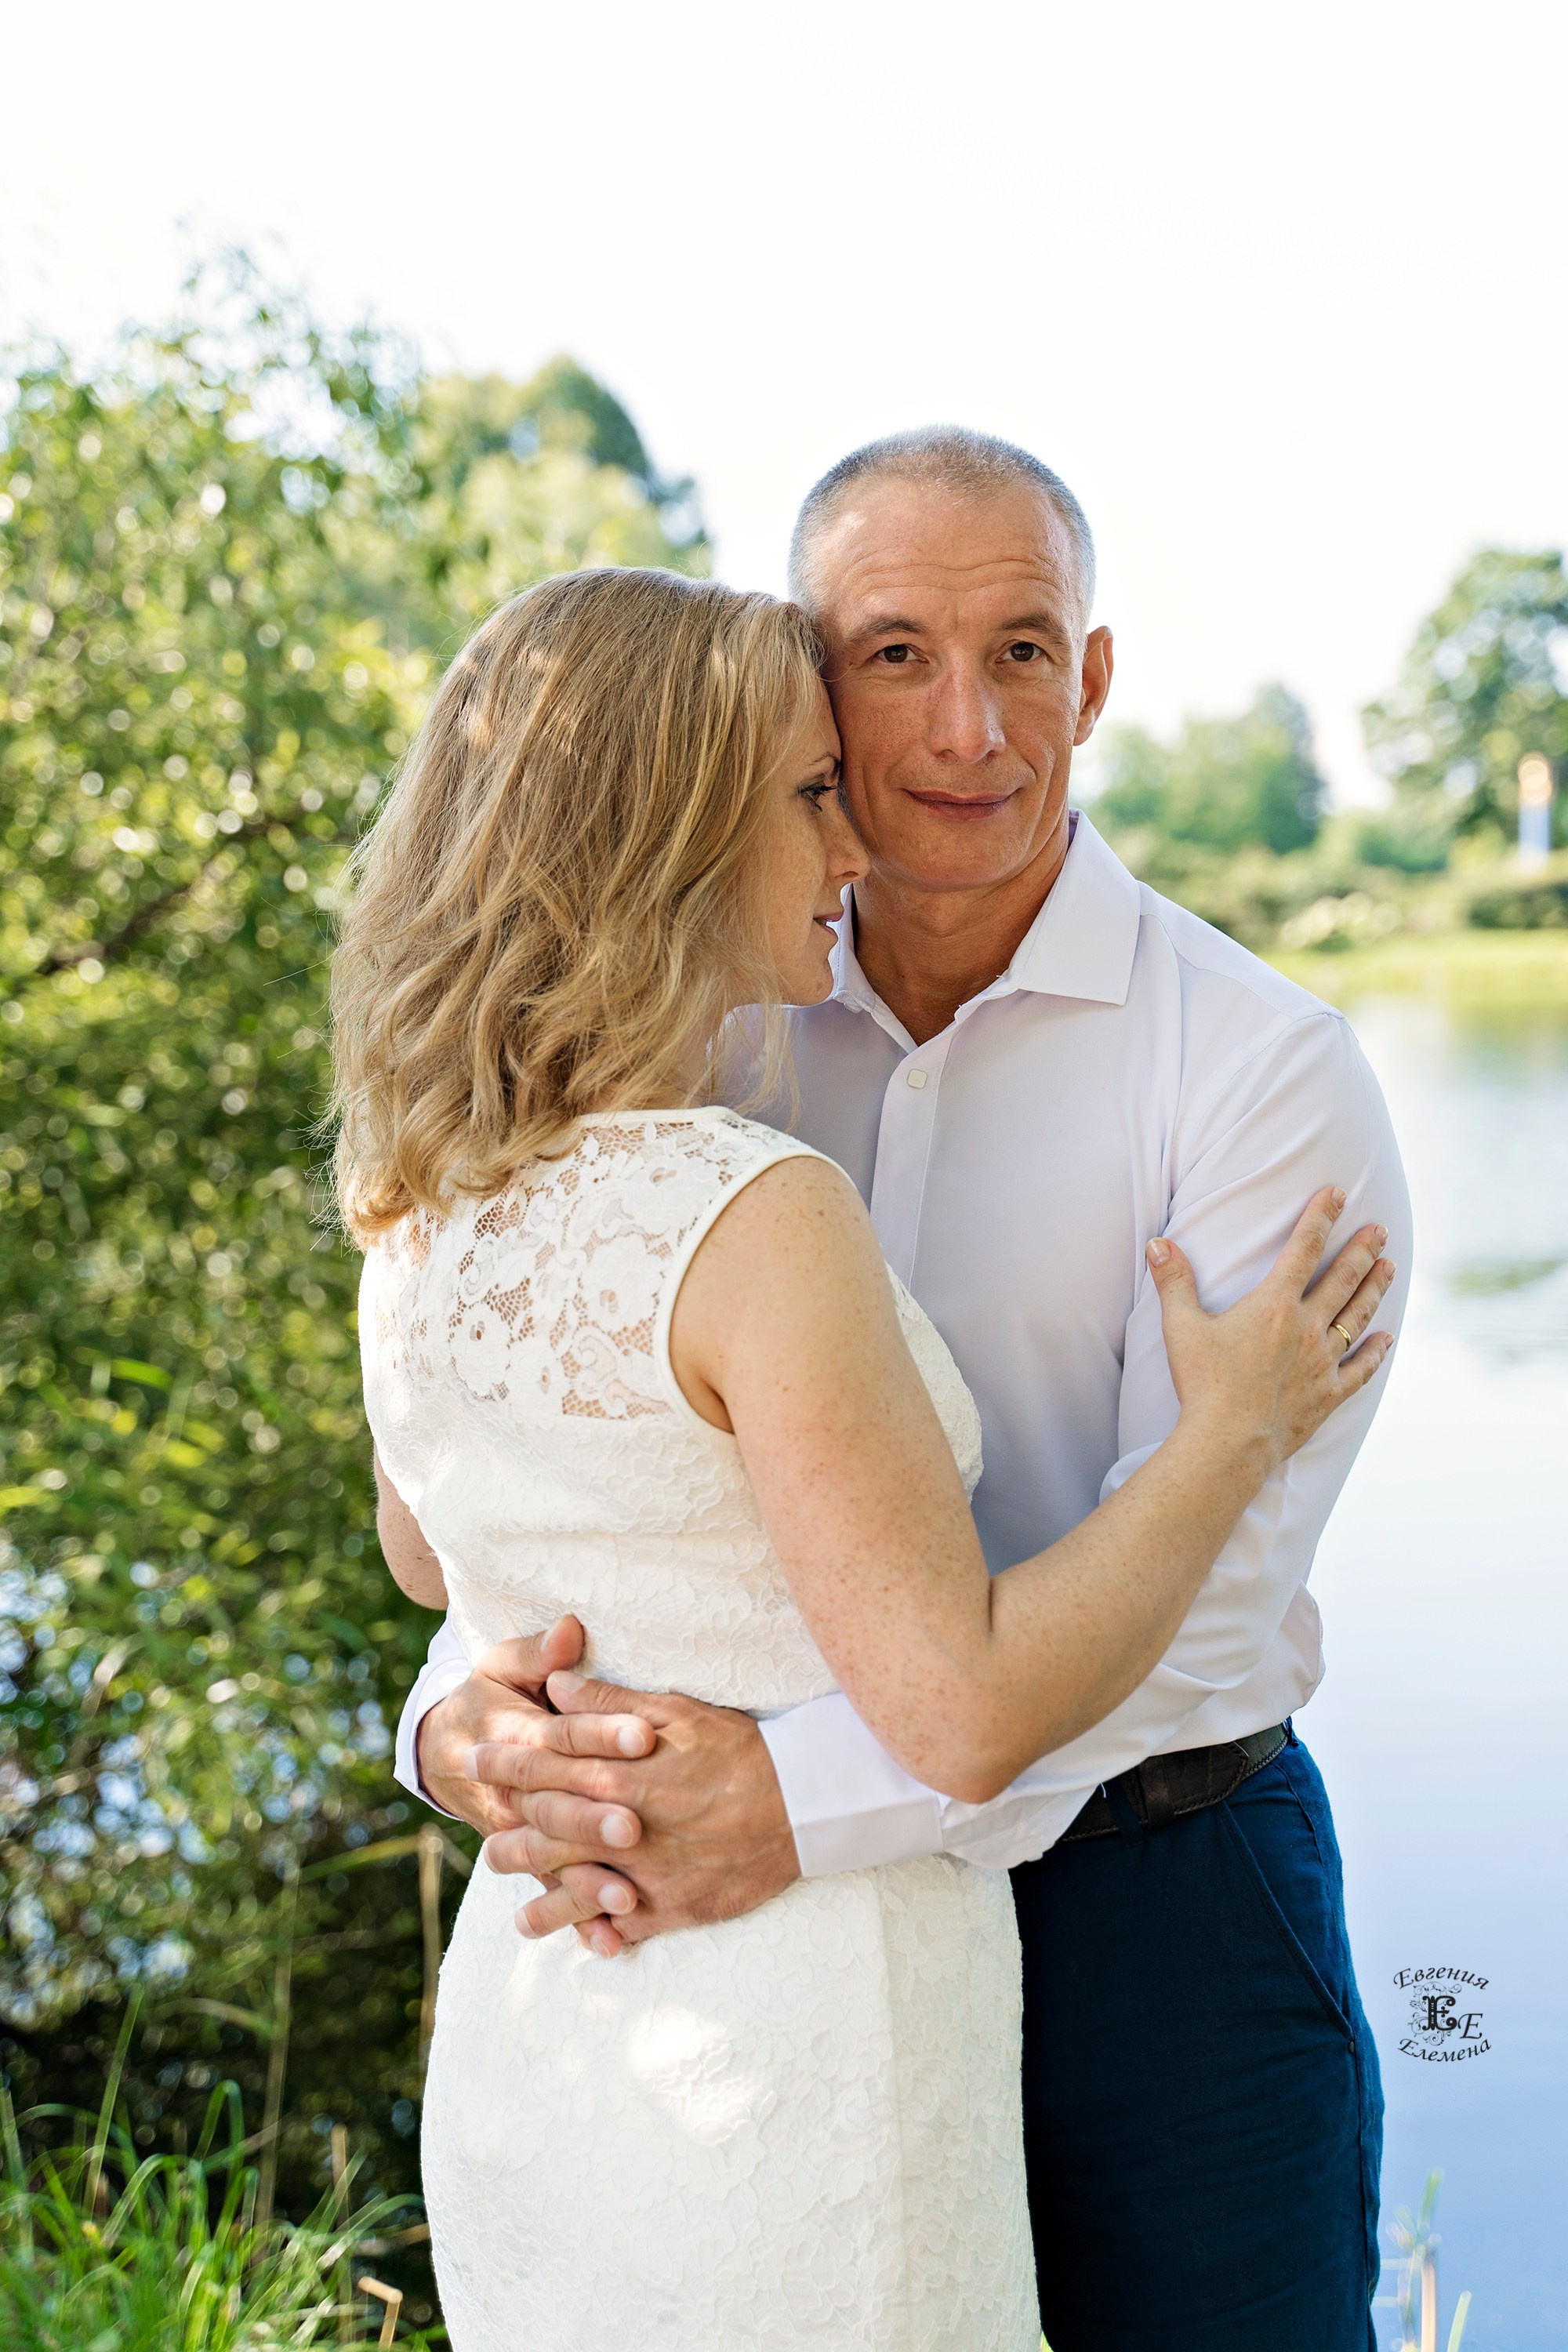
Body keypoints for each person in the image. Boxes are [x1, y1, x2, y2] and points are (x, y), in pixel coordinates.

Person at [392, 433, 1414, 2352]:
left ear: (1092, 682)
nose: (967, 726)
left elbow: (1199, 1616)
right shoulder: (703, 1020)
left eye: (1024, 651)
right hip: (752, 1950)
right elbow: (543, 1470)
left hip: (1156, 1906)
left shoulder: (1264, 1073)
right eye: (892, 656)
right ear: (802, 678)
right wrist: (463, 1726)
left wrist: (793, 1800)